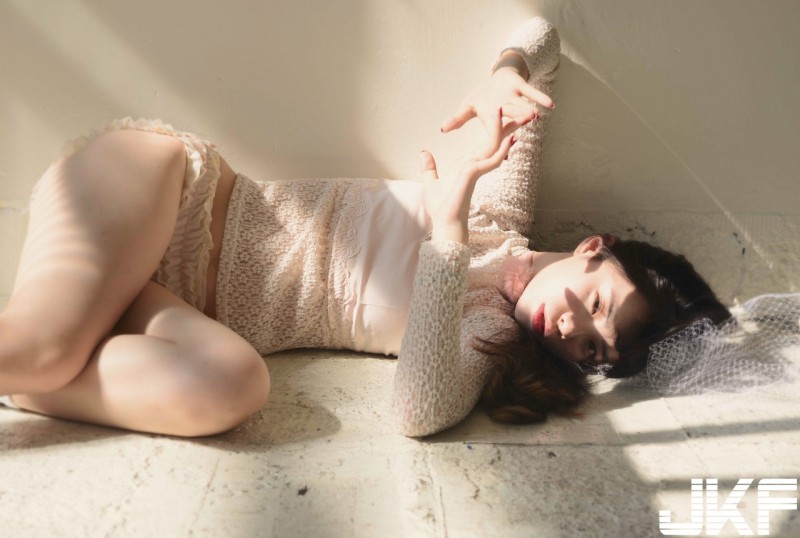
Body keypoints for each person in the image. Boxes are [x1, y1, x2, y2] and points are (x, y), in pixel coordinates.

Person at [0, 18, 729, 438]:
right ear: (593, 248)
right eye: (596, 304)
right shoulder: (503, 202)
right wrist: (507, 69)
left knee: (235, 388)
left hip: (169, 308)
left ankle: (30, 382)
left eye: (591, 348)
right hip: (167, 193)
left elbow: (416, 413)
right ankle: (41, 358)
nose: (572, 328)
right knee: (42, 350)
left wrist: (448, 235)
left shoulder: (485, 331)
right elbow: (542, 34)